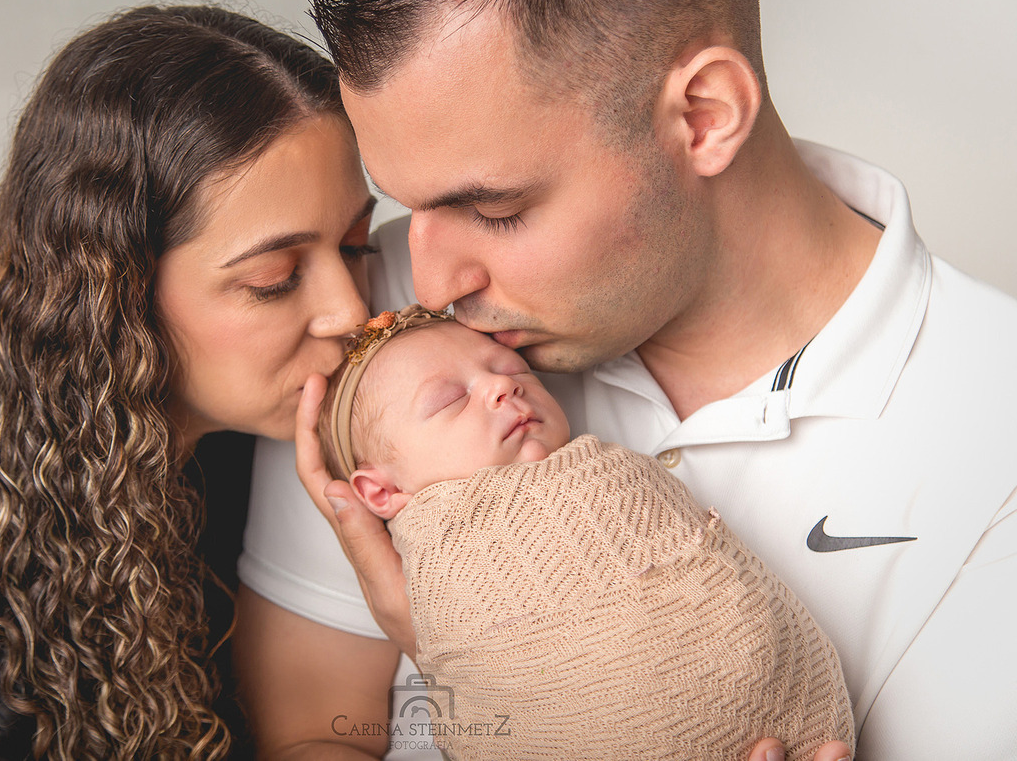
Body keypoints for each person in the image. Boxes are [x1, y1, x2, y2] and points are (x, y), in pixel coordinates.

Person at [234, 0, 1017, 759]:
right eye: (406, 204)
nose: (429, 287)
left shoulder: (995, 456)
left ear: (705, 116)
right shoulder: (380, 332)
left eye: (495, 210)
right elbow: (314, 737)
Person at [0, 4, 377, 760]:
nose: (352, 311)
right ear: (115, 294)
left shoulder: (270, 437)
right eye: (274, 278)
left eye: (356, 246)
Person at [316, 306, 853, 760]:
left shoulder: (611, 471)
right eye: (451, 399)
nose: (504, 385)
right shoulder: (446, 573)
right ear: (381, 492)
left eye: (515, 370)